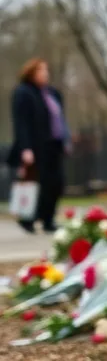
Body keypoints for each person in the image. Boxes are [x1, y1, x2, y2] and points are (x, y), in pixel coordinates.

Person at [6, 58, 68, 233]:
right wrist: (25, 148)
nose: (45, 74)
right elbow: (21, 123)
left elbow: (61, 120)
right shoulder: (23, 93)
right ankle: (28, 218)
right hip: (35, 146)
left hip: (53, 145)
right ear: (31, 73)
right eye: (41, 71)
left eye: (46, 71)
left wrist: (65, 140)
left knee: (55, 183)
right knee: (33, 183)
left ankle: (48, 218)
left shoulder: (52, 93)